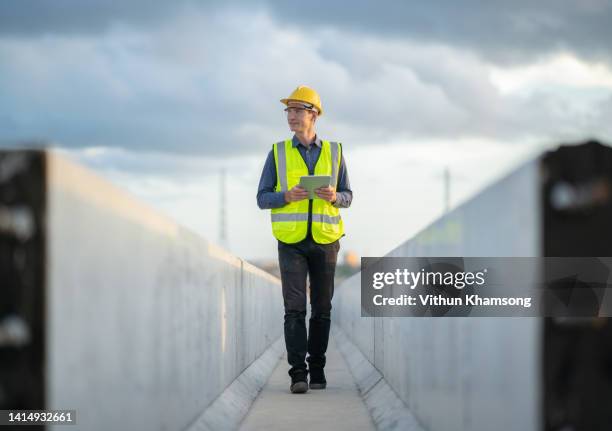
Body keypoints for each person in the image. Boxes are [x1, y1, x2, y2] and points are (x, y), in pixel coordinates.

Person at [256, 85, 353, 393]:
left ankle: (318, 369)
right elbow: (261, 198)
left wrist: (335, 196)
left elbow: (349, 196)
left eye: (298, 111)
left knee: (322, 308)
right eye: (289, 111)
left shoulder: (335, 152)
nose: (291, 116)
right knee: (295, 308)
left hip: (325, 240)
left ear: (314, 115)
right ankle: (298, 374)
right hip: (292, 240)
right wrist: (285, 196)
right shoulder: (278, 152)